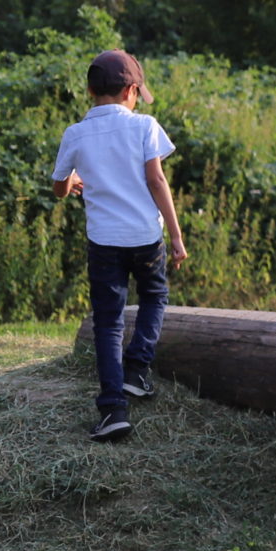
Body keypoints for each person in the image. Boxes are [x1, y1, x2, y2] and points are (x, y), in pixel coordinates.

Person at [51, 50, 188, 442]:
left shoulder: (75, 134)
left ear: (91, 90)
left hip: (104, 242)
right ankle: (137, 371)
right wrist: (176, 236)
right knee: (154, 297)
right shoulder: (145, 126)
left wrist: (73, 181)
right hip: (146, 237)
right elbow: (157, 181)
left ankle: (113, 409)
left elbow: (59, 188)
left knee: (108, 322)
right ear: (132, 90)